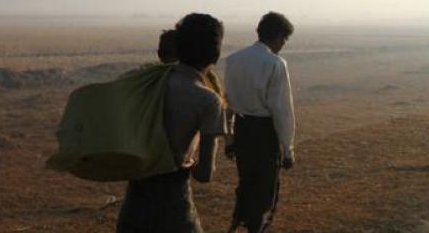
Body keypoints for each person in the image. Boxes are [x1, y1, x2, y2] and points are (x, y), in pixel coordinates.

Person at [117, 13, 227, 233]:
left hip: (134, 206)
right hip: (174, 206)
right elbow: (204, 174)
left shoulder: (144, 83)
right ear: (214, 54)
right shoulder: (206, 99)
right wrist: (186, 159)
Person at [224, 12, 296, 233]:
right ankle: (258, 228)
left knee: (247, 181)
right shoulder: (275, 63)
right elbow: (281, 110)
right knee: (266, 188)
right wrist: (287, 149)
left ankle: (239, 221)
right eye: (284, 39)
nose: (283, 45)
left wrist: (229, 138)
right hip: (265, 132)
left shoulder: (233, 59)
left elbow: (227, 102)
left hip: (242, 130)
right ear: (278, 36)